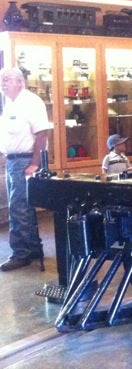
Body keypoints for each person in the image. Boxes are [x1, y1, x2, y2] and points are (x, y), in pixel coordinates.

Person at [0, 67, 52, 272]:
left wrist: (35, 163)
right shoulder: (7, 102)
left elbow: (42, 134)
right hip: (13, 161)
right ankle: (32, 247)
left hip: (25, 161)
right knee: (23, 206)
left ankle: (20, 253)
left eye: (6, 80)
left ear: (19, 82)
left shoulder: (31, 102)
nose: (2, 83)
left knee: (18, 207)